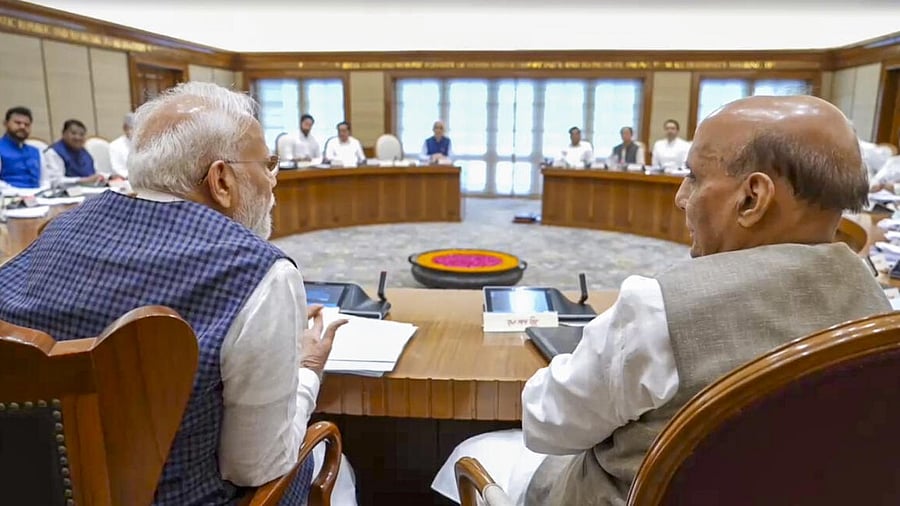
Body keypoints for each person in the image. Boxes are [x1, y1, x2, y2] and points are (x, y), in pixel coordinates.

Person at [432, 95, 890, 506]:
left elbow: (547, 423)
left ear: (752, 198)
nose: (680, 197)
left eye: (693, 176)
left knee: (475, 452)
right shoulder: (877, 312)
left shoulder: (660, 311)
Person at [0, 82, 357, 505]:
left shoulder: (59, 229)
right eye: (269, 164)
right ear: (221, 180)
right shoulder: (260, 271)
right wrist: (307, 368)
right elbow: (256, 466)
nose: (273, 181)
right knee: (337, 467)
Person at [44, 119, 105, 185]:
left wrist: (107, 177)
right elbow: (55, 181)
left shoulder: (84, 152)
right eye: (73, 133)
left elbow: (95, 173)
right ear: (63, 134)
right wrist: (81, 180)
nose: (78, 137)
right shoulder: (54, 152)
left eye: (81, 134)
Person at [0, 106, 43, 188]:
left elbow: (45, 180)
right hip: (9, 196)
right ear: (5, 124)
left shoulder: (36, 151)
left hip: (38, 196)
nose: (22, 127)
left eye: (27, 124)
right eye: (17, 123)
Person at [108, 113, 134, 179]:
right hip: (124, 180)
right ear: (125, 128)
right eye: (132, 128)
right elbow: (117, 169)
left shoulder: (144, 143)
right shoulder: (115, 145)